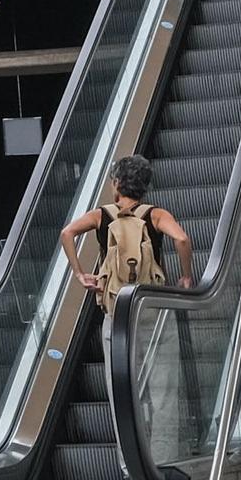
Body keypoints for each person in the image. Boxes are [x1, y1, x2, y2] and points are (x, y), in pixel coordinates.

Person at [60, 155, 195, 455]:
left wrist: (80, 274)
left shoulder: (101, 216)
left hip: (118, 312)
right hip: (153, 309)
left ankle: (129, 462)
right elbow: (182, 240)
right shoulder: (156, 215)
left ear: (118, 183)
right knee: (163, 389)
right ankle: (163, 460)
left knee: (121, 387)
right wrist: (186, 277)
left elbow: (66, 232)